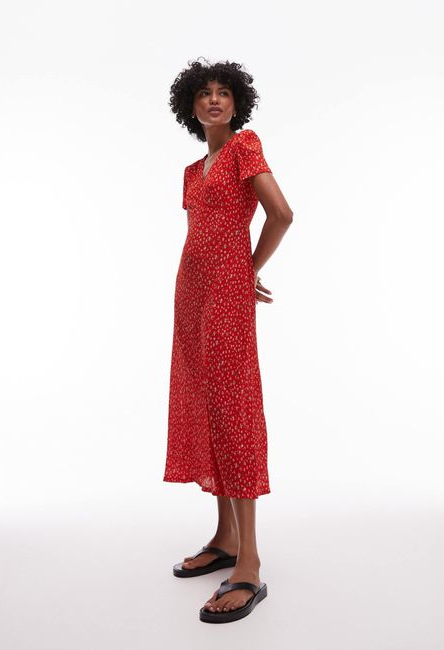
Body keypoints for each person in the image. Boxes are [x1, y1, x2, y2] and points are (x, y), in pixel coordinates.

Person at [163, 58, 294, 623]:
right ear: (190, 107)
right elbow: (199, 234)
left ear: (237, 103)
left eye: (223, 92)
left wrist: (248, 270)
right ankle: (225, 538)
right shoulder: (193, 170)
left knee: (234, 411)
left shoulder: (245, 147)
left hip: (226, 297)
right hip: (190, 294)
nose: (214, 99)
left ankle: (250, 564)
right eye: (204, 93)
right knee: (208, 406)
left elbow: (281, 213)